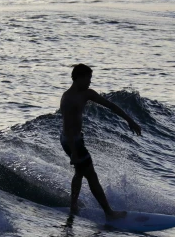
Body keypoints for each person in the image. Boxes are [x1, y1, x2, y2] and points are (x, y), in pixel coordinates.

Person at [60, 63, 142, 220]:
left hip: (75, 139)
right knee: (91, 176)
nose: (90, 82)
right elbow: (68, 128)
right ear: (79, 78)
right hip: (71, 141)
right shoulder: (68, 99)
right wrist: (74, 153)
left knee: (79, 172)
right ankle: (109, 213)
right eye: (88, 78)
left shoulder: (86, 93)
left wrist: (129, 120)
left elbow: (110, 106)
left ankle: (73, 206)